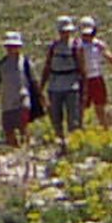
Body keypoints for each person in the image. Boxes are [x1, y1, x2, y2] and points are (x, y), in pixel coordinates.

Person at [41, 16, 85, 148]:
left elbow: (82, 68)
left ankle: (74, 143)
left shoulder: (76, 46)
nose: (65, 34)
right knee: (55, 116)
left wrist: (84, 88)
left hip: (72, 85)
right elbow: (47, 66)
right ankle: (60, 141)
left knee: (73, 118)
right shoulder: (53, 47)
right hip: (55, 85)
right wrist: (41, 86)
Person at [76, 16, 112, 128]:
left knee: (100, 107)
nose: (87, 37)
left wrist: (104, 52)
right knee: (82, 108)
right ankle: (80, 130)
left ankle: (104, 129)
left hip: (96, 77)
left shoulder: (98, 44)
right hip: (83, 79)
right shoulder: (77, 45)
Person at [0, 32, 36, 150]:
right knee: (8, 128)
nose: (11, 49)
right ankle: (15, 149)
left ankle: (26, 147)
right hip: (7, 100)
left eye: (14, 46)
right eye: (9, 46)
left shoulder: (25, 62)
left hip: (22, 98)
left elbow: (33, 80)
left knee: (23, 125)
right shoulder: (1, 64)